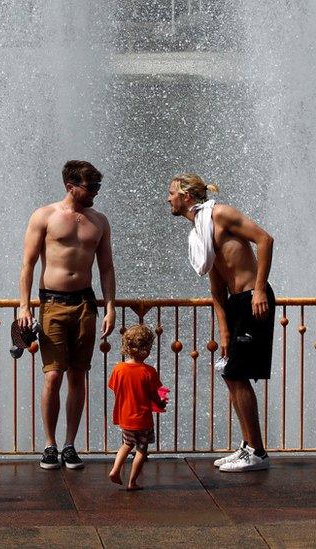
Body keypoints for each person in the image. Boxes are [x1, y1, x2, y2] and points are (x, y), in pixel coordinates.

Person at [168, 174, 274, 472]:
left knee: (237, 373)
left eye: (172, 192)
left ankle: (257, 452)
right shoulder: (199, 231)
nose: (168, 198)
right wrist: (224, 330)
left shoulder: (220, 213)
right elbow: (216, 287)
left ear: (187, 196)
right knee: (230, 372)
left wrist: (260, 289)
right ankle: (248, 446)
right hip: (236, 304)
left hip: (254, 298)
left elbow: (265, 239)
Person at [18, 160, 116, 470]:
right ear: (70, 186)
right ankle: (50, 445)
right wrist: (23, 305)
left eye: (98, 188)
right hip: (52, 303)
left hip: (85, 304)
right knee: (53, 375)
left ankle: (71, 445)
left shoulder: (99, 221)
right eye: (91, 188)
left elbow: (106, 267)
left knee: (78, 375)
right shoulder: (44, 216)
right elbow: (28, 264)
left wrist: (110, 306)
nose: (95, 194)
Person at [108, 324, 167, 490]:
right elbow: (154, 395)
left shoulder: (118, 369)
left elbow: (114, 387)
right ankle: (132, 482)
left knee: (126, 445)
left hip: (125, 417)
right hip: (143, 419)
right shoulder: (149, 371)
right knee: (142, 449)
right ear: (146, 349)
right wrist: (161, 403)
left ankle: (115, 470)